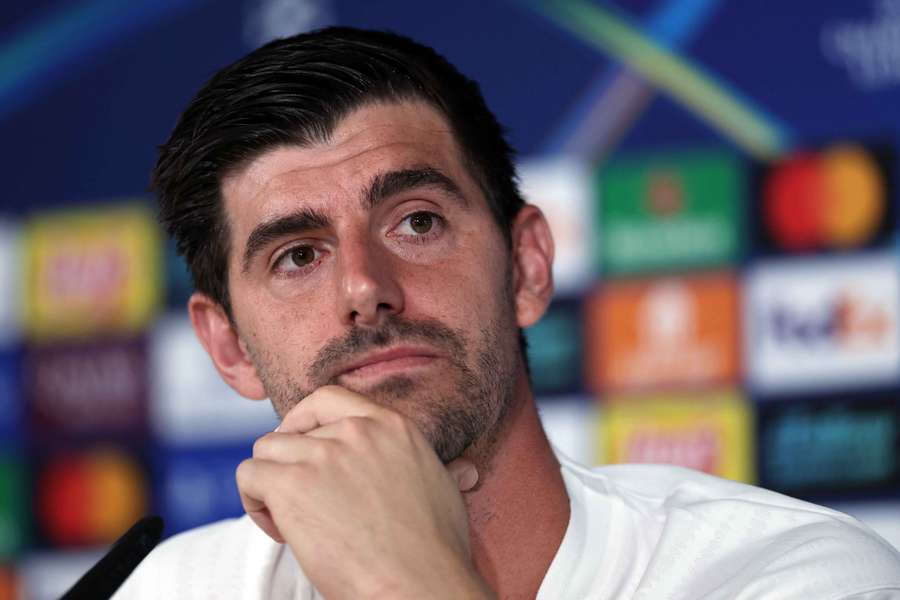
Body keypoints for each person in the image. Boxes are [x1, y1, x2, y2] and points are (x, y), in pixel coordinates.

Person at [116, 26, 900, 599]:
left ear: (525, 265)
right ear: (230, 350)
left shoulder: (792, 577)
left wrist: (405, 581)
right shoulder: (173, 589)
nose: (364, 286)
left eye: (416, 221)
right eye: (297, 256)